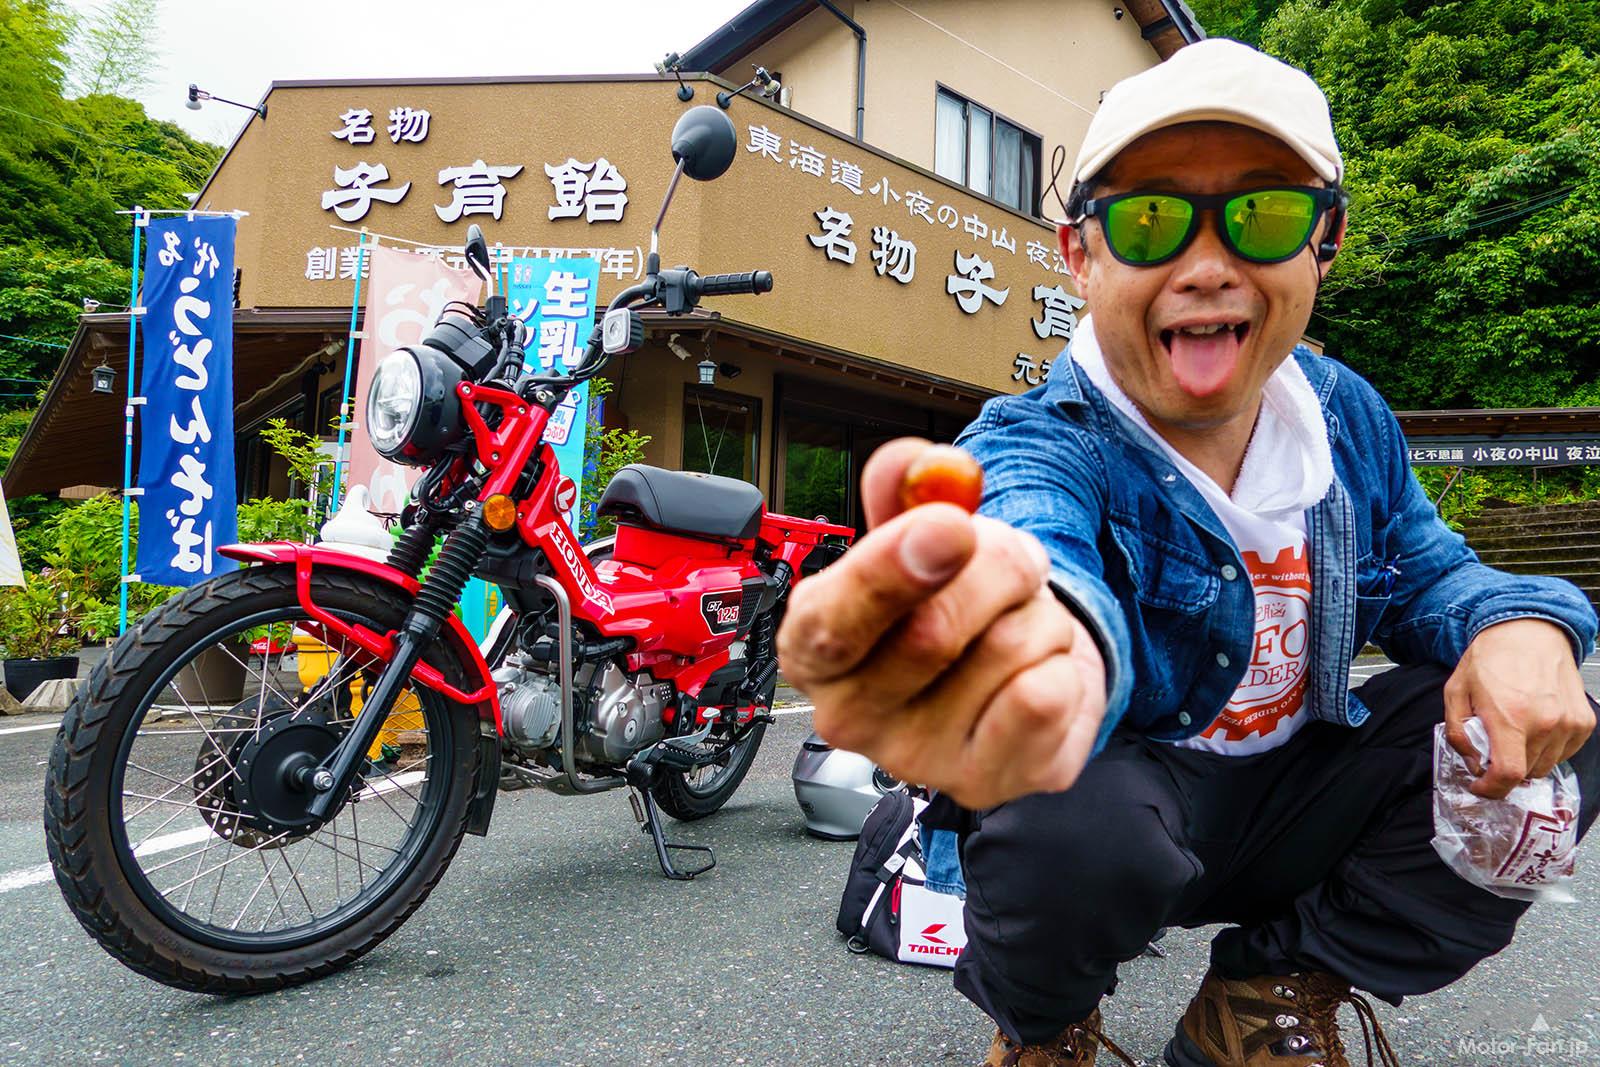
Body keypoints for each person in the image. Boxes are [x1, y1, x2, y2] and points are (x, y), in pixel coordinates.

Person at [777, 38, 1600, 1067]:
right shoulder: (1036, 440)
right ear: (1080, 254)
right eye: (1150, 219)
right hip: (1129, 817)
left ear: (1325, 241)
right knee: (1058, 810)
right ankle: (1044, 1023)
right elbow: (1034, 548)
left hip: (1293, 805)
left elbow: (1434, 573)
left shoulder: (1345, 416)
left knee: (1556, 738)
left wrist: (1521, 625)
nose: (1206, 267)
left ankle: (1265, 993)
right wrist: (1029, 641)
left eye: (1264, 214)